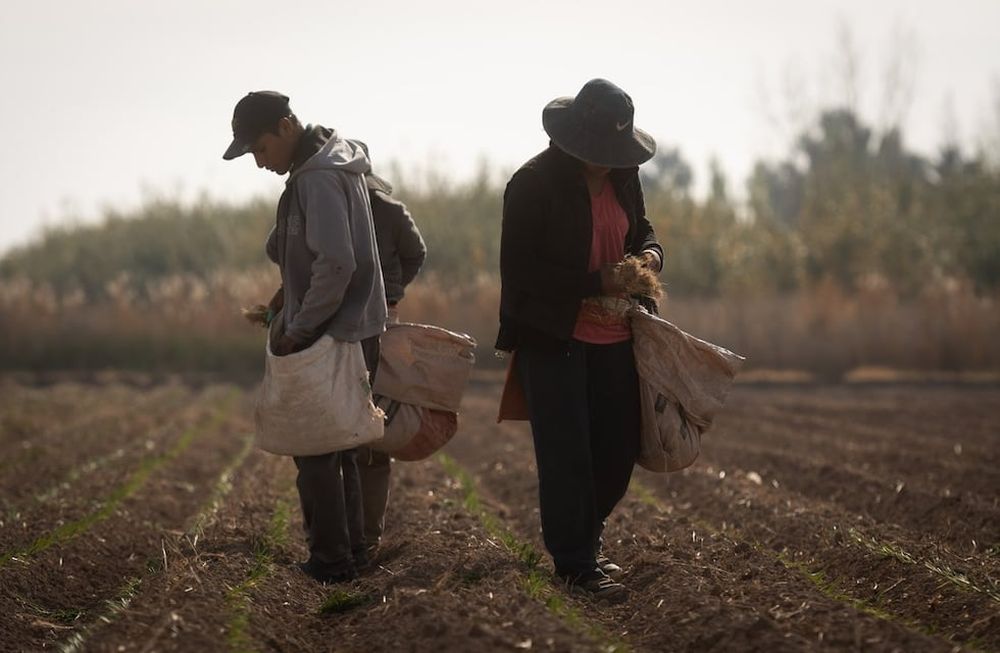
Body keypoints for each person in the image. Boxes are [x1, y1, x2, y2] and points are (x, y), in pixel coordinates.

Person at [496, 79, 663, 602]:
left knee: (616, 452)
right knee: (567, 454)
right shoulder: (533, 183)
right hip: (554, 337)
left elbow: (644, 232)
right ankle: (574, 563)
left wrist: (652, 257)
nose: (609, 161)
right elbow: (520, 272)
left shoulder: (623, 177)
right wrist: (597, 283)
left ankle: (585, 540)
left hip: (616, 337)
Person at [222, 91, 387, 584]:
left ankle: (331, 562)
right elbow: (319, 257)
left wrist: (299, 329)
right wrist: (283, 295)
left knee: (315, 451)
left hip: (333, 333)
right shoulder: (327, 167)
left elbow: (337, 263)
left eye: (260, 148)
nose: (259, 162)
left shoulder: (317, 178)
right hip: (347, 328)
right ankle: (351, 552)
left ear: (286, 125)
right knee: (340, 445)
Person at [356, 155, 427, 556]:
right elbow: (416, 254)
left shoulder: (325, 205)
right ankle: (365, 534)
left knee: (362, 421)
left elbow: (277, 248)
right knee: (374, 419)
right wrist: (393, 290)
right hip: (384, 316)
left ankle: (358, 535)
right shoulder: (392, 210)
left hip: (365, 321)